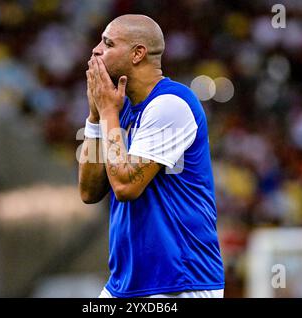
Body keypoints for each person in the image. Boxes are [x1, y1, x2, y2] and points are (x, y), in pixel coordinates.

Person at [78, 14, 224, 298]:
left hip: (179, 282)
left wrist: (108, 112)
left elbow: (125, 186)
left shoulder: (171, 104)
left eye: (107, 43)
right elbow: (88, 191)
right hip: (127, 282)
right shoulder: (123, 109)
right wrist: (95, 117)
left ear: (137, 54)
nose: (96, 50)